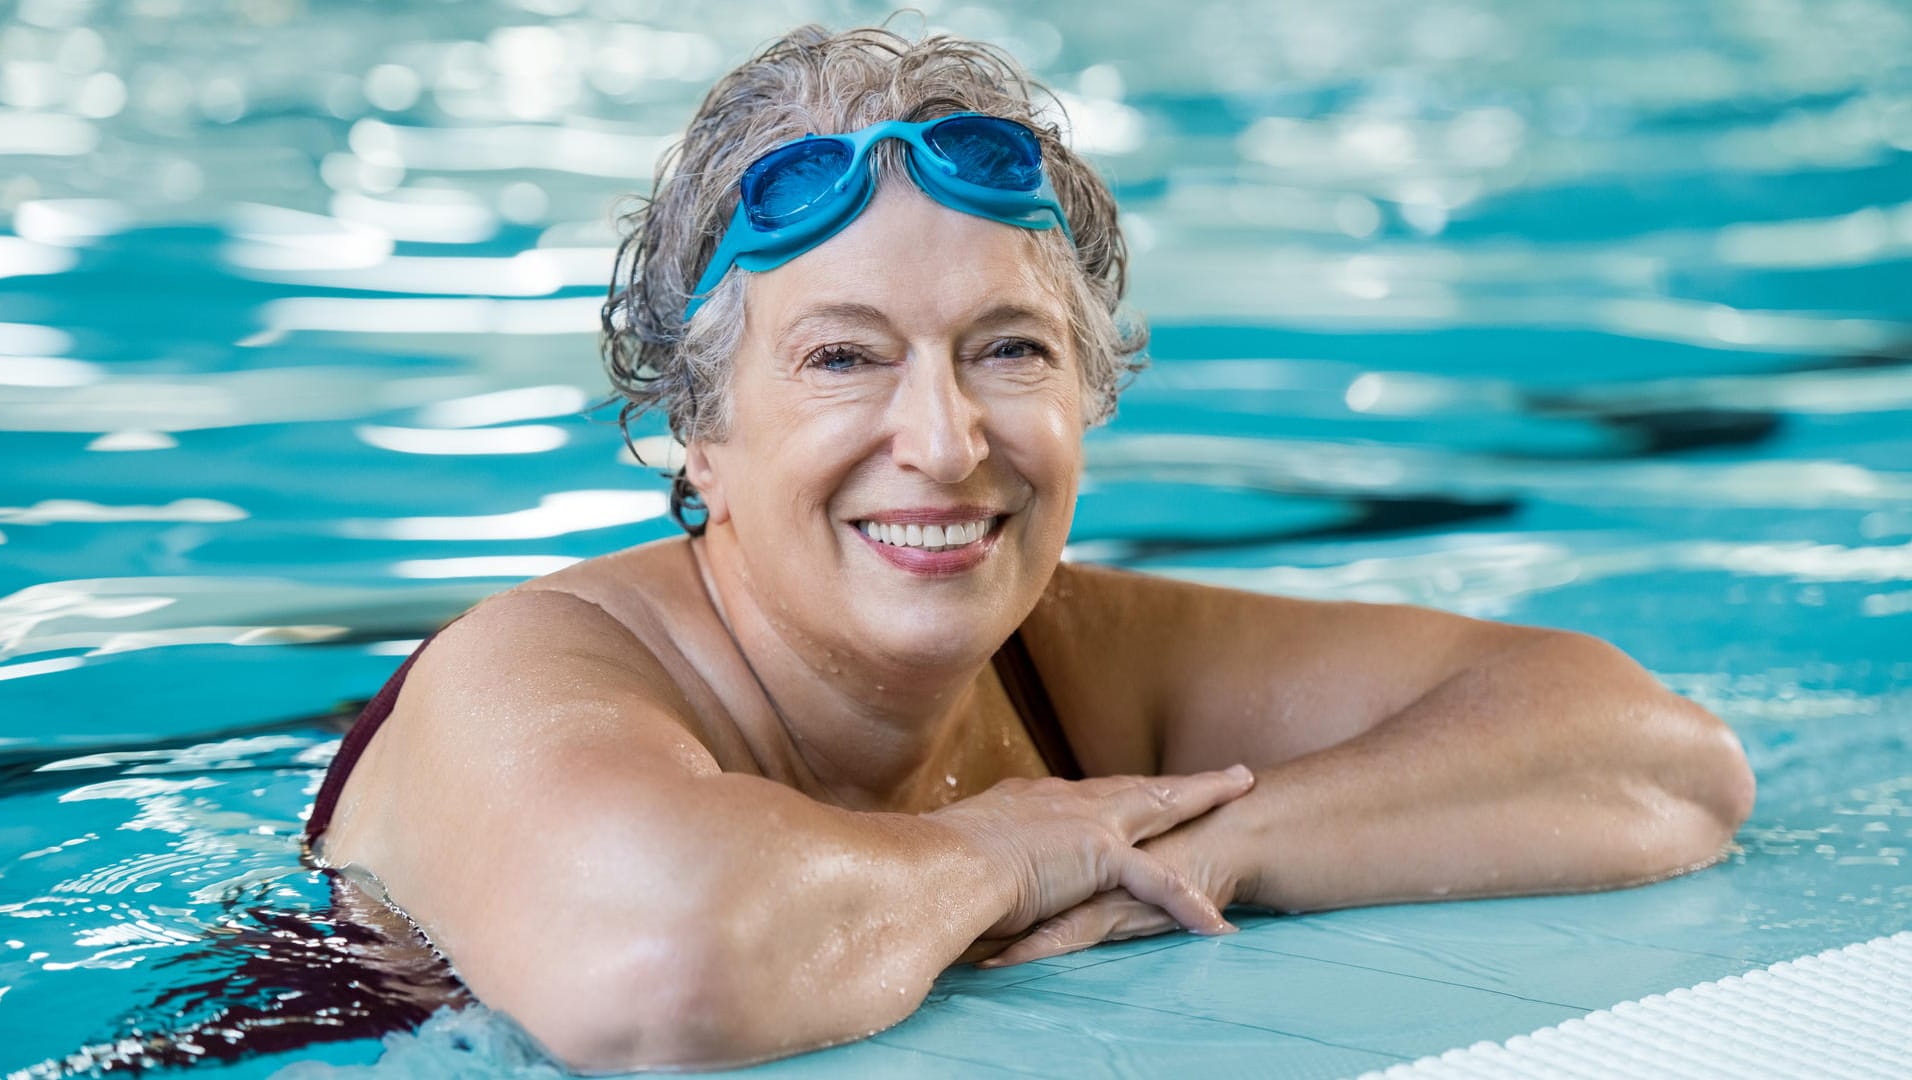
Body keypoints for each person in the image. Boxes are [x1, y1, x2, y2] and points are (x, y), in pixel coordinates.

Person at [301, 22, 1756, 1072]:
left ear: (1089, 391)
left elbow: (1657, 761)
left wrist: (1217, 846)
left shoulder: (1066, 661)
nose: (943, 442)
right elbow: (666, 972)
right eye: (842, 360)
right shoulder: (534, 671)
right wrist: (1005, 849)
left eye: (1007, 350)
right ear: (698, 431)